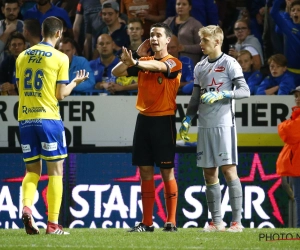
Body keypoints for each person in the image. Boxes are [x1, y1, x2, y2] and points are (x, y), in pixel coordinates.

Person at [16, 16, 88, 235]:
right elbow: (60, 95)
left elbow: (20, 88)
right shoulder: (60, 57)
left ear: (41, 31)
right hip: (48, 118)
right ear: (59, 33)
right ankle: (53, 225)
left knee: (31, 170)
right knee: (56, 171)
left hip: (25, 119)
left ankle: (27, 206)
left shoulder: (22, 56)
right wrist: (75, 82)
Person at [179, 25, 250, 232]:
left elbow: (245, 91)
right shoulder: (200, 67)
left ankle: (236, 223)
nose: (201, 44)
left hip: (223, 124)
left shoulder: (230, 63)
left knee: (228, 170)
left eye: (205, 41)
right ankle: (216, 222)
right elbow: (195, 97)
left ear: (217, 42)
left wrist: (223, 94)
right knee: (209, 174)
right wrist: (188, 118)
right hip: (204, 125)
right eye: (200, 40)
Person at [112, 22, 182, 232]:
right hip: (143, 120)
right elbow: (117, 72)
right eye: (151, 35)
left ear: (167, 40)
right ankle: (147, 222)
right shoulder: (143, 60)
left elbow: (160, 67)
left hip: (164, 120)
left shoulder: (174, 62)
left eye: (158, 35)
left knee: (167, 171)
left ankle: (171, 221)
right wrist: (133, 57)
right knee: (145, 171)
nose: (154, 38)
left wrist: (137, 61)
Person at [276, 85, 300, 228]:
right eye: (296, 96)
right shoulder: (296, 116)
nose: (297, 99)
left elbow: (287, 132)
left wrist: (284, 125)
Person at [164, 0, 203, 66]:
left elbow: (202, 46)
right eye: (178, 4)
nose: (180, 7)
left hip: (188, 63)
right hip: (168, 62)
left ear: (190, 7)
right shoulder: (168, 21)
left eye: (184, 4)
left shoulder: (196, 24)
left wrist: (184, 48)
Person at [271, 0, 300, 86]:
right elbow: (273, 12)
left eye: (299, 10)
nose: (295, 12)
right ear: (290, 14)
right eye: (293, 10)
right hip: (290, 73)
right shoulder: (287, 26)